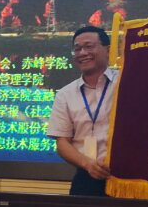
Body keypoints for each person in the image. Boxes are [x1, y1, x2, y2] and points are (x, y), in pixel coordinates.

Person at [47, 25, 118, 196]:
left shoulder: (126, 82)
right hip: (87, 177)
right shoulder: (65, 94)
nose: (82, 53)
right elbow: (62, 142)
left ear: (107, 50)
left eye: (89, 46)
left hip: (128, 177)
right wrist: (88, 164)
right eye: (77, 49)